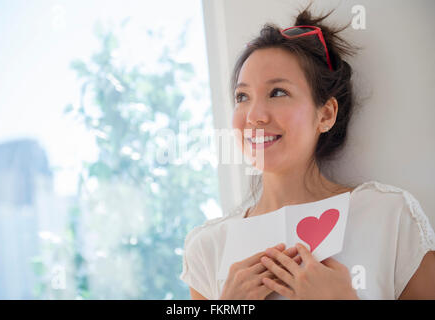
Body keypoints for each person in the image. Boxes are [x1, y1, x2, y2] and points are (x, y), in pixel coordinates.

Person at [179, 6, 435, 300]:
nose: (254, 116)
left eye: (277, 92)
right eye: (242, 96)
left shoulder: (389, 216)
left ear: (326, 114)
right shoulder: (207, 248)